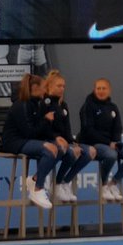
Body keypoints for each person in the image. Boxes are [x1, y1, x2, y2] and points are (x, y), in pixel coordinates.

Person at [1, 74, 60, 209]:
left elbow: (38, 130)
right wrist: (45, 120)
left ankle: (34, 179)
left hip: (28, 139)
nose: (46, 91)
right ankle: (38, 189)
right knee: (49, 149)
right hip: (15, 142)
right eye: (44, 87)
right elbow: (29, 132)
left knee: (61, 149)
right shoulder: (21, 105)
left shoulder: (36, 104)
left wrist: (53, 137)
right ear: (34, 87)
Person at [78, 78, 123, 201]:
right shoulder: (88, 106)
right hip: (92, 144)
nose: (101, 91)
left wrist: (116, 142)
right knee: (111, 155)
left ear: (109, 90)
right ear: (94, 90)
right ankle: (103, 184)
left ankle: (113, 183)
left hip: (110, 144)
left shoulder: (113, 107)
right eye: (98, 88)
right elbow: (88, 130)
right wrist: (108, 143)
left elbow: (118, 128)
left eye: (104, 88)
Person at [41, 70, 97, 203]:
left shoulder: (63, 105)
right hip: (49, 140)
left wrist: (73, 142)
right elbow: (43, 128)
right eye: (58, 86)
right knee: (71, 153)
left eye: (63, 86)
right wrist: (56, 138)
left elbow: (67, 129)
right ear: (49, 87)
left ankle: (66, 181)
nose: (62, 89)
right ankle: (57, 184)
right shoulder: (45, 103)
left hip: (64, 141)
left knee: (90, 152)